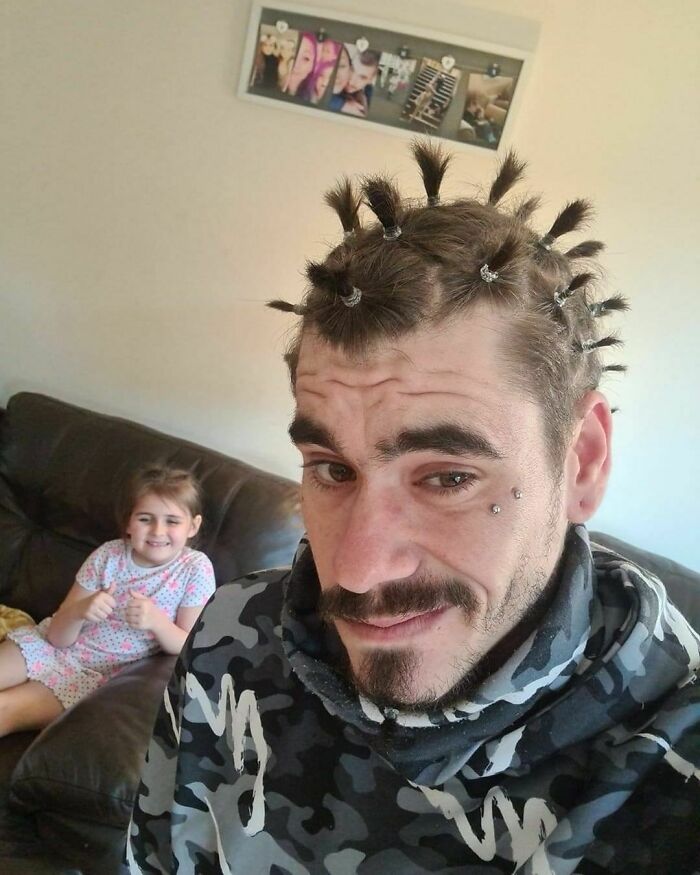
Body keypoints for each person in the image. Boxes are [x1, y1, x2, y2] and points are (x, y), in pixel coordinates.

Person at [128, 143, 700, 873]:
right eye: (333, 468)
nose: (360, 571)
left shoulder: (673, 765)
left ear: (581, 461)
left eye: (448, 477)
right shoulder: (226, 640)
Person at [0, 464, 215, 737]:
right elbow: (56, 637)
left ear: (192, 526)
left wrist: (157, 622)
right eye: (145, 519)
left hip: (92, 676)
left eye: (172, 521)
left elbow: (189, 646)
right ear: (128, 523)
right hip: (49, 645)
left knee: (4, 710)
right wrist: (80, 611)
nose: (158, 531)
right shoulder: (108, 555)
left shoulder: (195, 568)